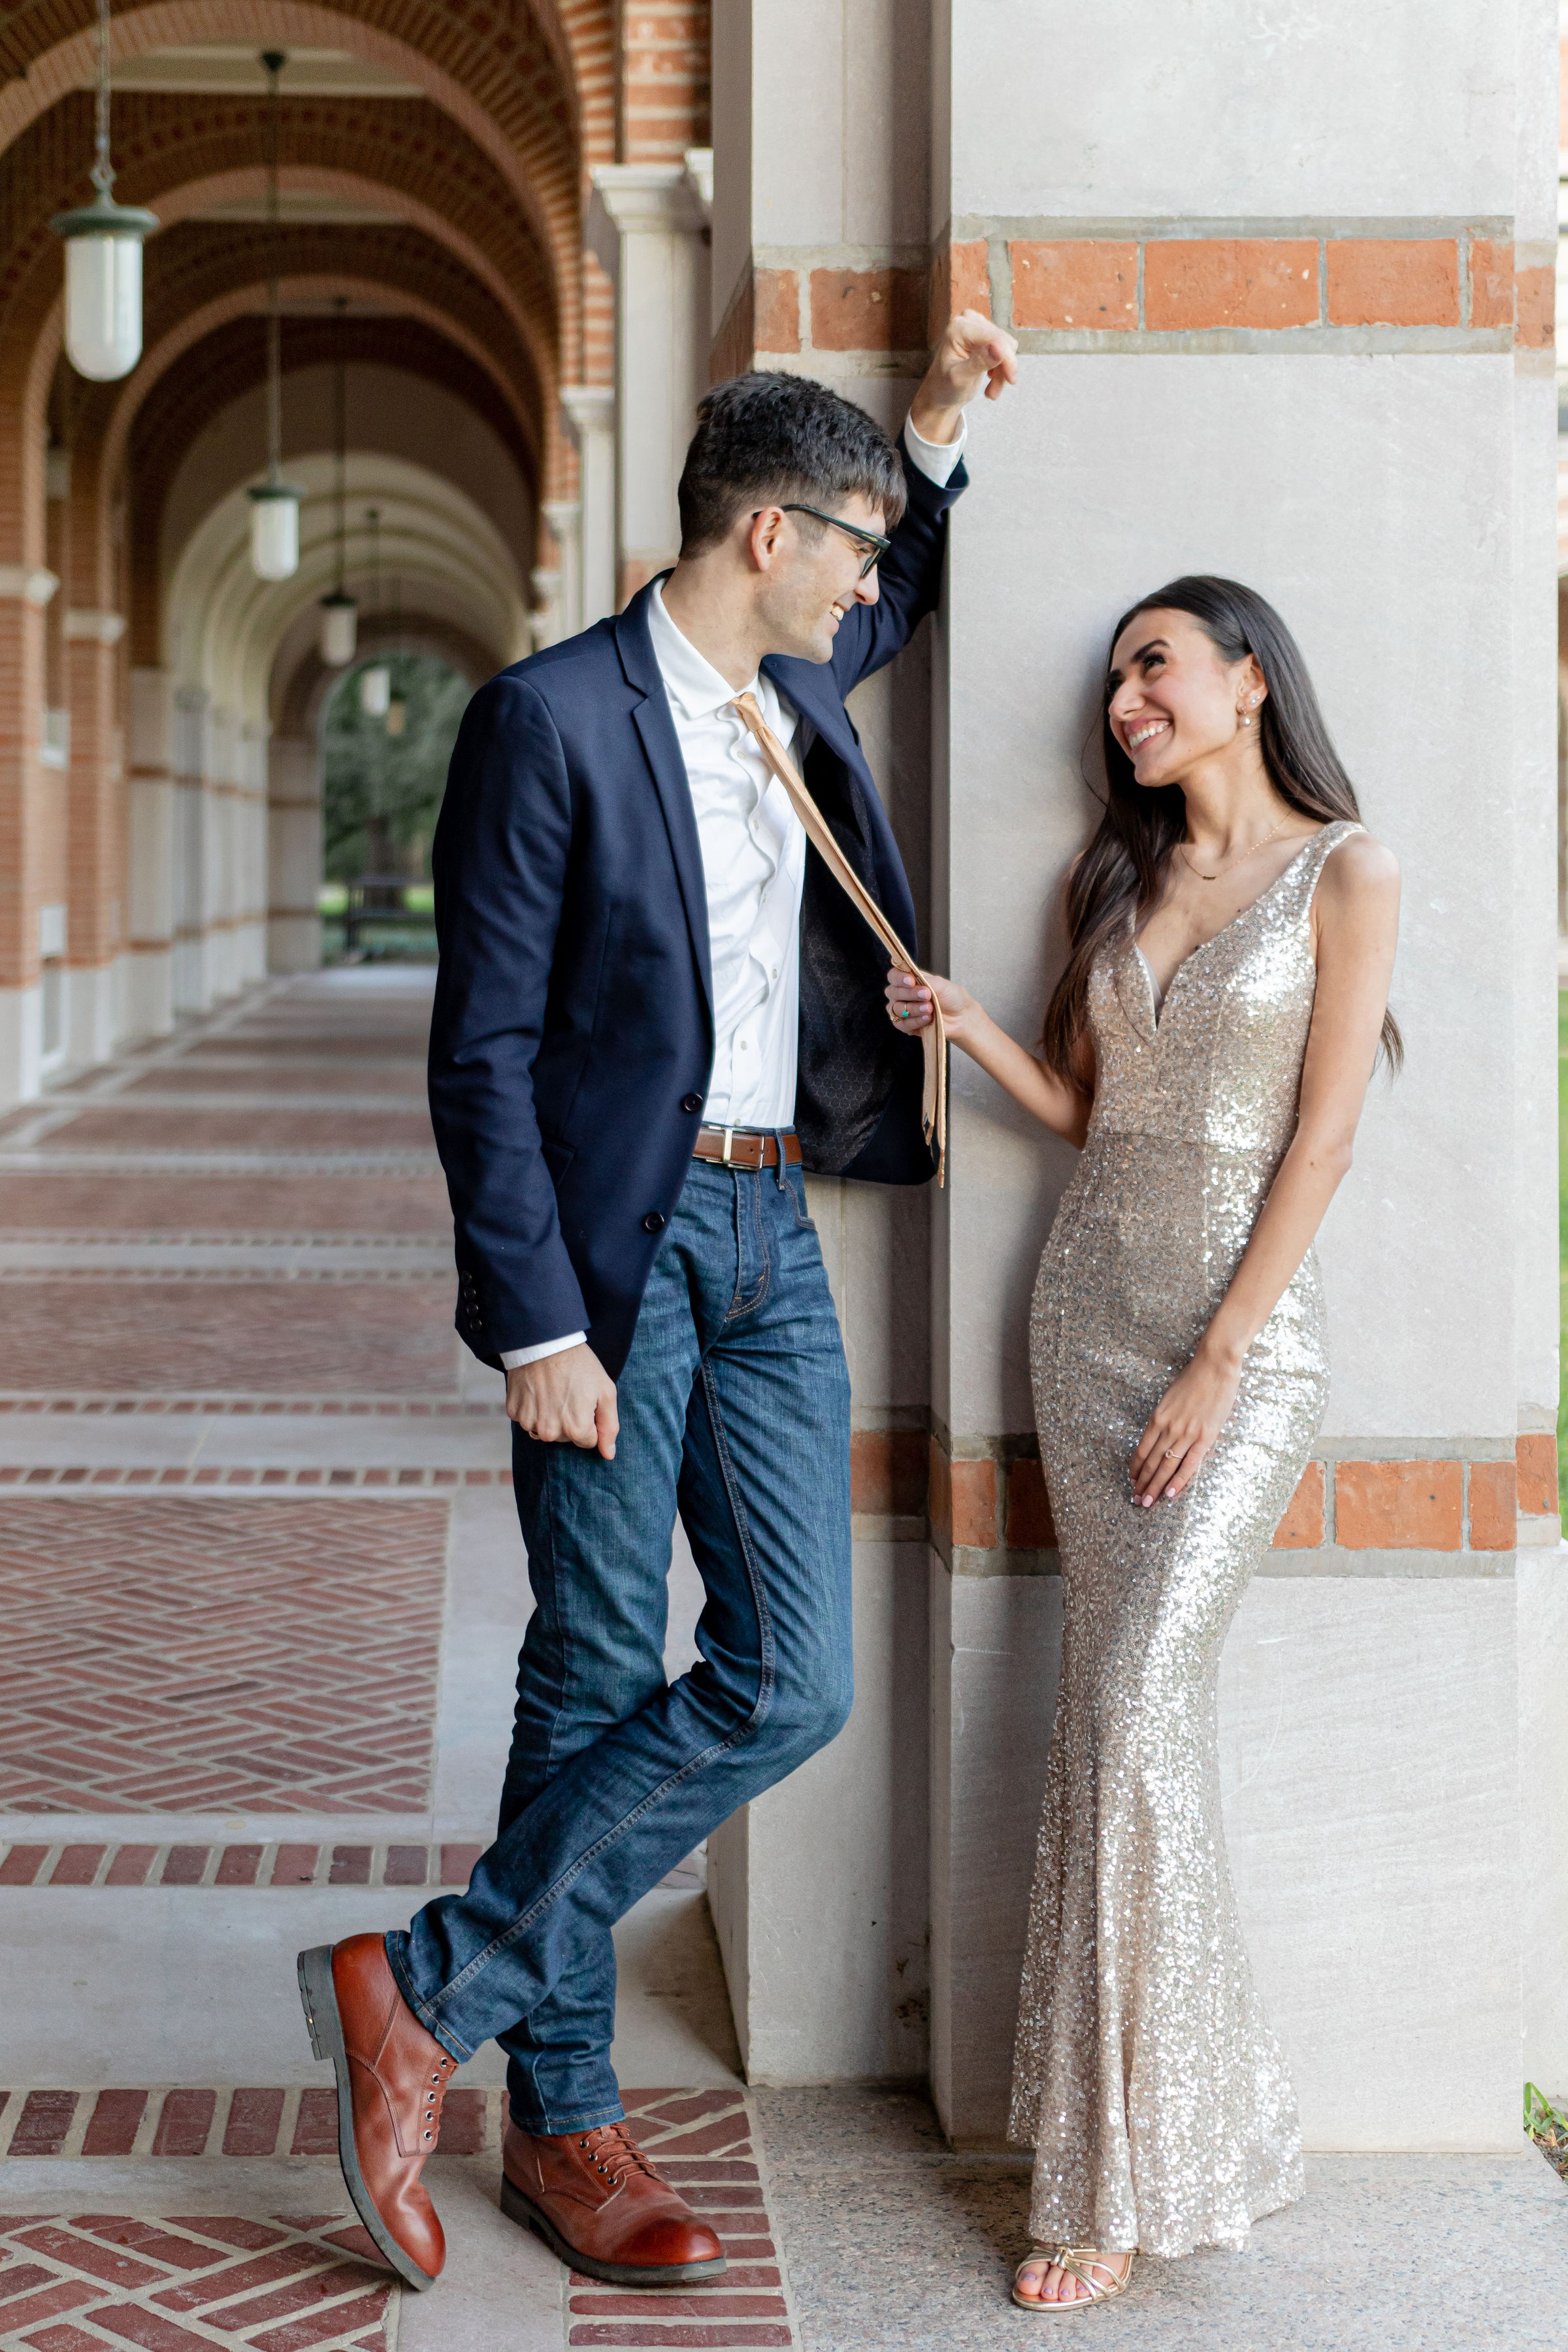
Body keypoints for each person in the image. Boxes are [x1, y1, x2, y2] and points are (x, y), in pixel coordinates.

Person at [295, 312, 1019, 2296]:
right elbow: (487, 1050)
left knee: (794, 1675)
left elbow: (907, 590)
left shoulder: (798, 689)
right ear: (767, 535)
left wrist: (932, 440)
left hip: (773, 1237)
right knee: (603, 1662)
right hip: (617, 1259)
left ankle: (421, 1985)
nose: (870, 588)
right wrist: (537, 1329)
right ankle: (571, 2121)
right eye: (852, 549)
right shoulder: (546, 720)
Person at [886, 577, 1400, 2313]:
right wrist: (972, 1035)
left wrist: (1222, 1358)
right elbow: (1098, 1113)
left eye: (1155, 666)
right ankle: (1147, 2143)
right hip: (1080, 1327)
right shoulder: (1120, 880)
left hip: (1230, 1359)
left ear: (1251, 679)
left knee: (1129, 1716)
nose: (1126, 700)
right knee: (1109, 1730)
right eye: (1114, 679)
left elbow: (1319, 1146)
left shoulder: (1349, 871)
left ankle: (1130, 2165)